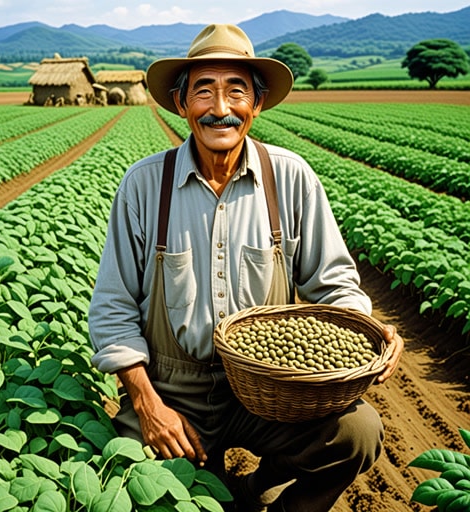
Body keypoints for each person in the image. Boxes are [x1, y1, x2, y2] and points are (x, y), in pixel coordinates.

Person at [88, 23, 404, 512]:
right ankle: (200, 470)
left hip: (270, 391)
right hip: (174, 387)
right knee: (139, 485)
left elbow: (335, 283)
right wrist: (149, 406)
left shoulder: (291, 177)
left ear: (256, 104)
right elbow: (112, 309)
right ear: (180, 104)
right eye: (204, 92)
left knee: (357, 434)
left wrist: (364, 329)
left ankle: (258, 492)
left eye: (236, 91)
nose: (220, 108)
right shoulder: (145, 185)